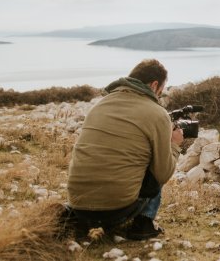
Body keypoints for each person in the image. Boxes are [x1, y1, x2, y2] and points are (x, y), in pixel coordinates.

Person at [63, 59, 183, 240]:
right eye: (161, 91)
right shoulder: (157, 113)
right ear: (154, 85)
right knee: (156, 162)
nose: (159, 96)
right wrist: (174, 144)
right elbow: (163, 173)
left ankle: (79, 221)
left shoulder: (99, 105)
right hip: (118, 210)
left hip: (78, 205)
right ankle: (143, 224)